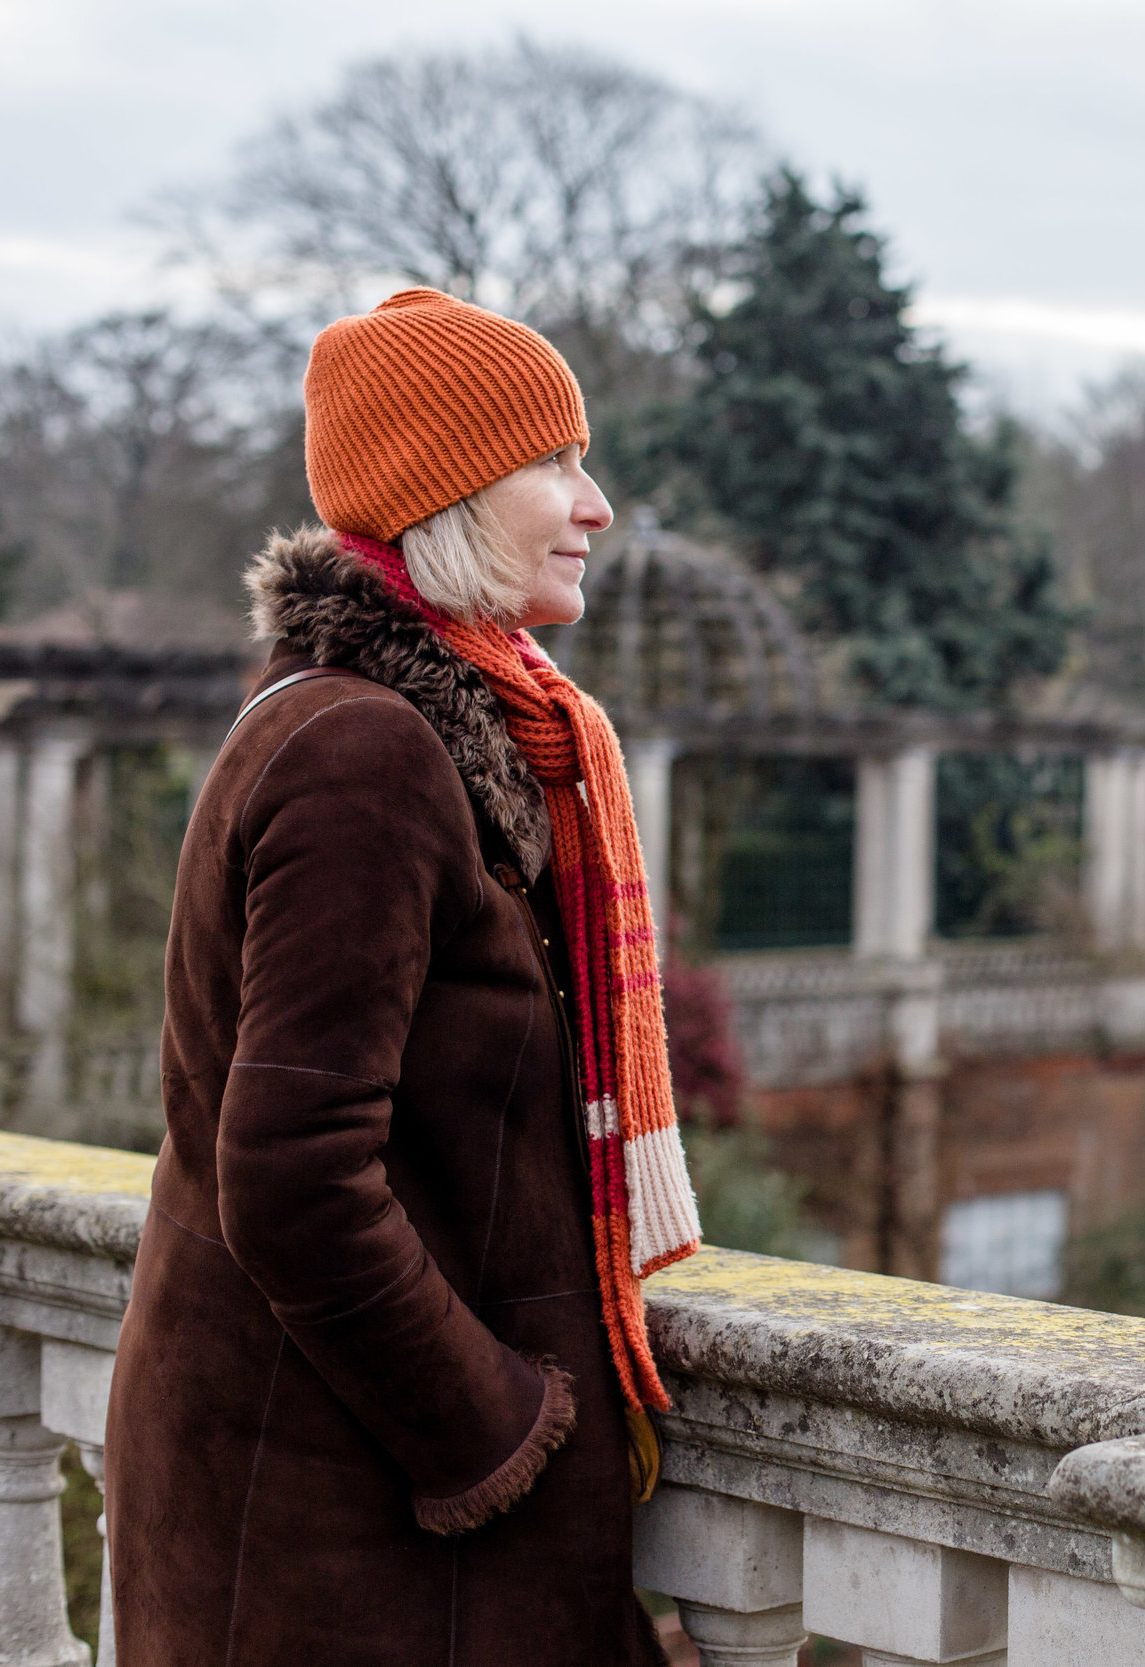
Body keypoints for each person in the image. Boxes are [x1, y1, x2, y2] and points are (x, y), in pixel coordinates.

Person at [106, 288, 701, 1664]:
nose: (596, 504)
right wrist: (494, 1428)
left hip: (346, 1502)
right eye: (556, 462)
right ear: (455, 491)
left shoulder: (390, 724)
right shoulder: (362, 753)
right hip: (350, 1528)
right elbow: (295, 1173)